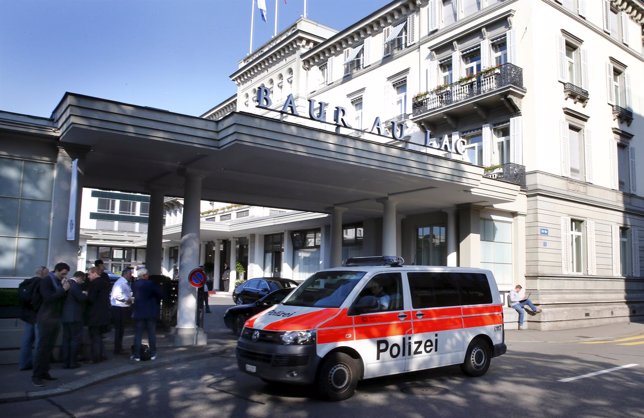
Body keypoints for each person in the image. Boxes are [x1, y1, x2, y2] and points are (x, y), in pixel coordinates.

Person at [32, 262, 70, 387]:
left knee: (49, 347)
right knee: (42, 347)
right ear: (57, 271)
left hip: (55, 318)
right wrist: (63, 290)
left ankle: (44, 372)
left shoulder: (58, 282)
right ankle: (36, 375)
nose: (64, 276)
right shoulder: (46, 281)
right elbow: (48, 298)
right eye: (63, 273)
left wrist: (65, 290)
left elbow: (60, 298)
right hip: (46, 318)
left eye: (66, 274)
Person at [18, 265, 48, 371]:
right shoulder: (41, 283)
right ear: (43, 273)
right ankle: (38, 365)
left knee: (26, 340)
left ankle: (23, 363)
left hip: (27, 315)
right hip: (38, 316)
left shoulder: (27, 282)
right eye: (47, 273)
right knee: (39, 341)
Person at [131, 268, 162, 361]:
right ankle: (153, 353)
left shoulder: (134, 284)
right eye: (147, 274)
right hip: (150, 311)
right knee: (151, 333)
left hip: (139, 312)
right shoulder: (151, 284)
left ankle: (136, 355)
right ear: (144, 275)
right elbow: (160, 294)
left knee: (138, 334)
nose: (148, 275)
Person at [61, 271, 88, 369]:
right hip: (75, 316)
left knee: (66, 339)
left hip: (65, 316)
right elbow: (81, 298)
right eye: (83, 280)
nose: (83, 282)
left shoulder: (66, 284)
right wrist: (85, 294)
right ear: (79, 277)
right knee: (75, 339)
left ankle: (65, 361)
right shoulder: (75, 286)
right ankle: (72, 362)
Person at [86, 265, 111, 363]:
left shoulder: (94, 284)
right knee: (99, 336)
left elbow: (91, 299)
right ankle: (101, 355)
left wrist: (85, 296)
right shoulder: (105, 283)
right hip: (104, 313)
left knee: (94, 336)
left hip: (95, 314)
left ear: (94, 273)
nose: (88, 276)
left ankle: (95, 357)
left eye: (89, 274)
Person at [110, 267, 133, 355]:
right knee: (119, 329)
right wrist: (127, 300)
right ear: (126, 274)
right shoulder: (121, 283)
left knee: (120, 329)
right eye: (130, 274)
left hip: (120, 307)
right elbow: (117, 295)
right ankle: (117, 348)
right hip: (119, 307)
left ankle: (118, 347)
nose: (131, 276)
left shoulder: (123, 282)